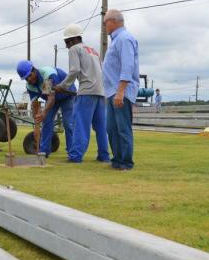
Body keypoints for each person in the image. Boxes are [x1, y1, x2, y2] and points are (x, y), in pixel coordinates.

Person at [54, 24, 109, 164]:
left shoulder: (74, 49)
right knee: (101, 127)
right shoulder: (93, 51)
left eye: (67, 42)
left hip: (86, 92)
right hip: (101, 92)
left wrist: (62, 86)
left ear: (73, 39)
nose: (66, 46)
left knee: (81, 125)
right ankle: (104, 156)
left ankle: (75, 156)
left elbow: (74, 70)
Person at [102, 9, 139, 170]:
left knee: (122, 128)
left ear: (113, 21)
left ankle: (125, 162)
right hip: (112, 91)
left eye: (105, 22)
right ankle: (117, 159)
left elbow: (128, 65)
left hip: (120, 91)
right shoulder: (116, 40)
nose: (104, 26)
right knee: (111, 128)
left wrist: (121, 90)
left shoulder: (124, 38)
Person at [16, 60, 75, 157]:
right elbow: (35, 104)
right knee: (46, 121)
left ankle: (72, 153)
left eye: (30, 76)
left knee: (68, 123)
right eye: (26, 78)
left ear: (34, 70)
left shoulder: (47, 75)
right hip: (52, 99)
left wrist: (43, 112)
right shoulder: (29, 86)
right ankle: (44, 152)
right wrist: (36, 126)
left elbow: (51, 98)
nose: (29, 80)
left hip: (67, 96)